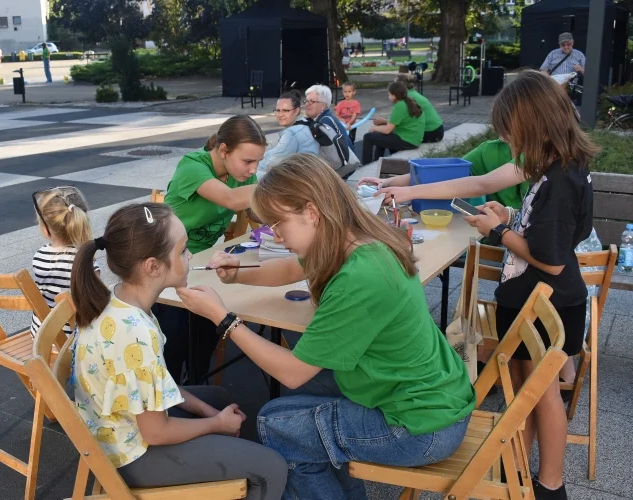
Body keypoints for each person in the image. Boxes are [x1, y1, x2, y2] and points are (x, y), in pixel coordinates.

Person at [176, 153, 476, 500]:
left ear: (311, 212)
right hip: (433, 396)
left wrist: (224, 319)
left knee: (276, 423)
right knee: (296, 403)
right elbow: (293, 269)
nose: (273, 234)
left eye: (277, 223)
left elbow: (292, 372)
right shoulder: (354, 239)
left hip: (421, 428)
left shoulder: (360, 277)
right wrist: (239, 272)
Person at [382, 70, 597, 499]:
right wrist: (510, 219)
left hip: (547, 298)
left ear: (531, 124)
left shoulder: (556, 180)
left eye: (511, 133)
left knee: (543, 393)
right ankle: (519, 462)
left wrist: (498, 231)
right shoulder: (557, 165)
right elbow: (535, 226)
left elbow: (551, 261)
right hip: (534, 298)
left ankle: (551, 485)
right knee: (525, 393)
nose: (510, 143)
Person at [69, 203, 287, 498]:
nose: (191, 256)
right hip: (132, 456)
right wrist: (215, 424)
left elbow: (154, 384)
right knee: (272, 469)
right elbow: (156, 433)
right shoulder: (135, 332)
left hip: (117, 431)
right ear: (153, 266)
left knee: (220, 398)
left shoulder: (119, 301)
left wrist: (210, 414)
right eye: (183, 250)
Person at [154, 115, 265, 383]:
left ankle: (195, 383)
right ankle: (168, 389)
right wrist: (283, 187)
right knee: (179, 333)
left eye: (258, 162)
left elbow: (255, 209)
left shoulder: (242, 176)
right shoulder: (193, 166)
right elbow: (228, 198)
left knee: (209, 322)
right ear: (224, 150)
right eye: (248, 161)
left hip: (200, 262)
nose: (252, 170)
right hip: (164, 260)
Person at [358, 137, 529, 210]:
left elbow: (482, 185)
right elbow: (449, 173)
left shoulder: (543, 155)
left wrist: (410, 192)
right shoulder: (493, 148)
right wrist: (387, 183)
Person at [29, 186, 97, 337]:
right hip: (72, 341)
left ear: (46, 229)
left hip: (41, 337)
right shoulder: (85, 261)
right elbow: (95, 304)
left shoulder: (39, 257)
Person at [259, 89, 319, 176]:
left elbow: (272, 162)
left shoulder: (292, 133)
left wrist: (253, 163)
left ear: (296, 111)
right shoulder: (305, 123)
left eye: (286, 111)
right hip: (308, 173)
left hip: (301, 178)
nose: (280, 114)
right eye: (278, 110)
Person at [361, 81, 424, 164]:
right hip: (413, 139)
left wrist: (374, 128)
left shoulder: (399, 106)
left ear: (394, 96)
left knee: (368, 137)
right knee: (379, 135)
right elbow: (399, 122)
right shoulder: (408, 102)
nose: (389, 96)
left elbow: (388, 130)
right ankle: (376, 161)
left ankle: (365, 164)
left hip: (408, 141)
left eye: (389, 94)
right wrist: (382, 124)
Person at [395, 73, 444, 143]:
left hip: (431, 132)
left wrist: (385, 123)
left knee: (392, 135)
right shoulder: (412, 93)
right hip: (437, 130)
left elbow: (401, 121)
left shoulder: (407, 97)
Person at [304, 84, 354, 149]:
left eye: (311, 101)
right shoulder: (327, 117)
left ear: (323, 106)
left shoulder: (324, 123)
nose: (306, 104)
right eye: (306, 101)